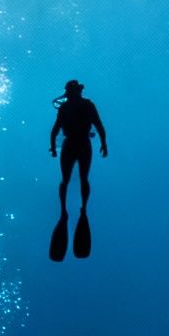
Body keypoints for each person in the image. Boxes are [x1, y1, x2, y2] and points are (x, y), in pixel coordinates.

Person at [47, 80, 107, 261]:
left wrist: (53, 146)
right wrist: (104, 142)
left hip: (74, 143)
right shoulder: (82, 106)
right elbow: (98, 125)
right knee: (77, 179)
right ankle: (77, 210)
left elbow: (56, 129)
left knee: (71, 180)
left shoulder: (71, 107)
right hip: (79, 143)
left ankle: (70, 211)